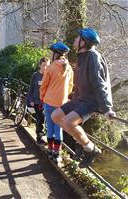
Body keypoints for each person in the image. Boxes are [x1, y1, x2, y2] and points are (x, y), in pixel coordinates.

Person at [51, 28, 116, 168]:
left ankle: (91, 149)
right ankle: (81, 142)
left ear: (83, 42)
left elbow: (99, 83)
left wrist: (106, 108)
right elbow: (80, 83)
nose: (74, 39)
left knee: (68, 123)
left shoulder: (93, 57)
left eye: (77, 38)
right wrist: (73, 99)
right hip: (80, 100)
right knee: (55, 115)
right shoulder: (82, 56)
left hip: (91, 102)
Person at [40, 42, 74, 163]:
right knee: (58, 129)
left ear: (55, 54)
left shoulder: (50, 68)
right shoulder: (69, 68)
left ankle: (50, 150)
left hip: (49, 102)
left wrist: (42, 98)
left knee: (50, 127)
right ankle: (57, 153)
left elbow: (43, 85)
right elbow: (70, 86)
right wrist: (64, 96)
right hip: (62, 104)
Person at [27, 57, 50, 143]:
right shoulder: (35, 75)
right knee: (40, 119)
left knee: (47, 120)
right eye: (43, 65)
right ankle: (39, 137)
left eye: (47, 65)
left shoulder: (49, 75)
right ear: (40, 65)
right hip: (37, 102)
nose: (45, 68)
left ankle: (47, 136)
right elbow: (31, 89)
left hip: (47, 102)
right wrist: (31, 100)